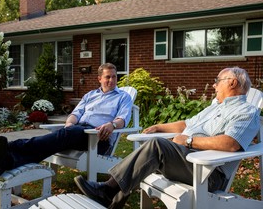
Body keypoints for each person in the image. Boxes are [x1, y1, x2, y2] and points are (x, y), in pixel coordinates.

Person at [74, 67, 261, 208]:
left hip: (207, 172)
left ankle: (107, 189)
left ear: (232, 83)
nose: (214, 84)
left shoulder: (246, 111)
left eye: (217, 80)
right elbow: (186, 124)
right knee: (148, 154)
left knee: (157, 146)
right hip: (185, 160)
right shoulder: (215, 107)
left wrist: (189, 141)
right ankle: (111, 200)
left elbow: (231, 143)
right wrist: (158, 127)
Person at [0, 63, 133, 179]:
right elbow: (76, 113)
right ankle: (6, 161)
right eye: (108, 77)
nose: (111, 80)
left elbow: (123, 118)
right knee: (59, 138)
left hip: (98, 138)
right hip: (78, 131)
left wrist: (112, 124)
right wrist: (69, 124)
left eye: (114, 76)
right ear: (99, 79)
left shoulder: (123, 96)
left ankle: (10, 147)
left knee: (66, 134)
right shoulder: (90, 95)